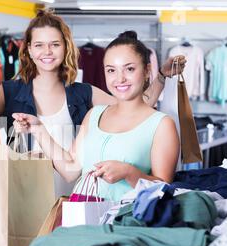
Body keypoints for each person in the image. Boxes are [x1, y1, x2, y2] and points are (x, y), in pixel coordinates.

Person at [12, 30, 180, 202]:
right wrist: (38, 128)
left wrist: (130, 173)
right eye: (111, 70)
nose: (119, 79)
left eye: (129, 69)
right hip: (80, 218)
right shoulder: (94, 115)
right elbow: (70, 170)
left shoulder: (162, 124)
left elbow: (164, 188)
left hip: (124, 222)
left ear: (146, 71)